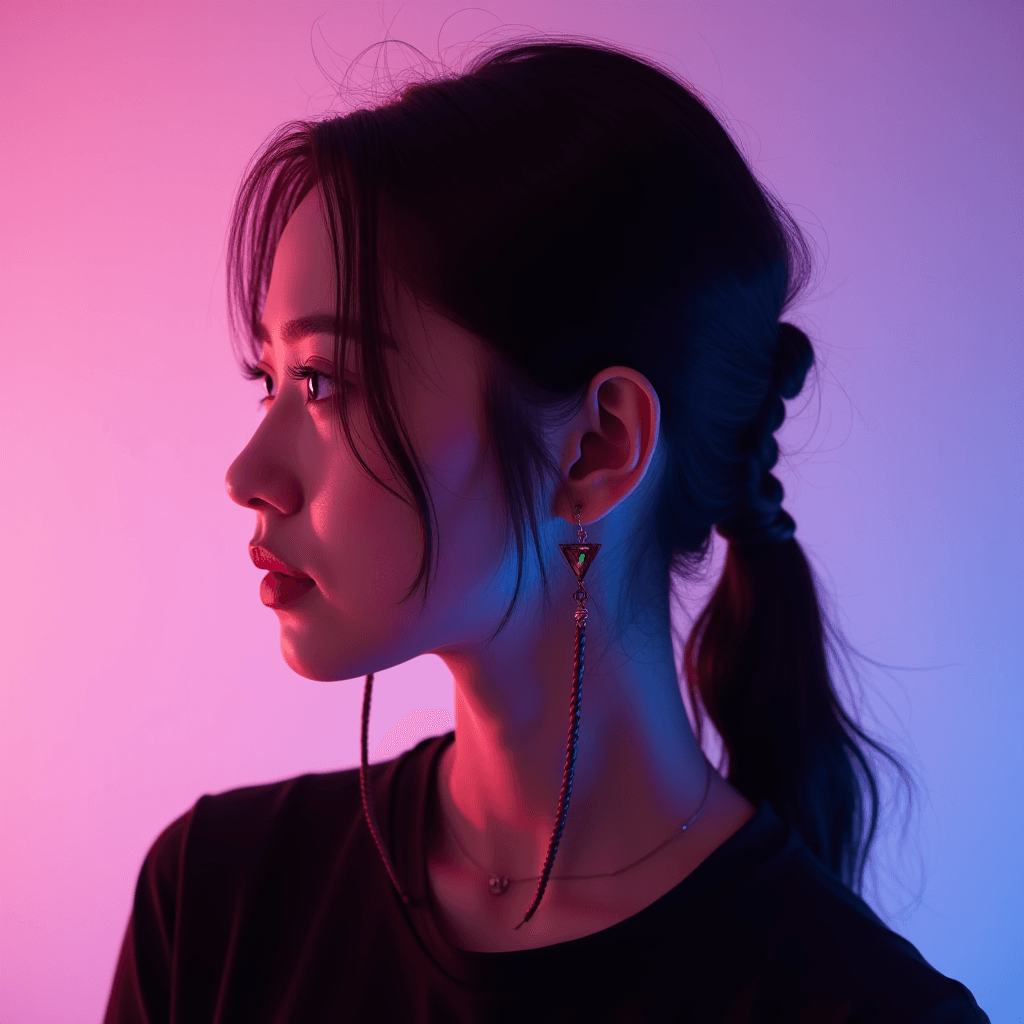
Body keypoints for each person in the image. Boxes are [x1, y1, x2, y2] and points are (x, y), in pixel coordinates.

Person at [104, 37, 989, 1023]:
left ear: (597, 447)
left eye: (323, 383)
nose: (246, 475)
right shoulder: (217, 899)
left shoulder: (863, 1007)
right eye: (266, 379)